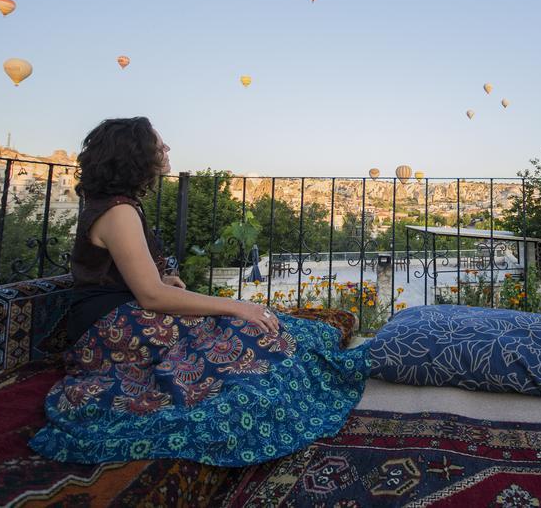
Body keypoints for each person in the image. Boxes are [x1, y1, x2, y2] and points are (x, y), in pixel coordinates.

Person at [29, 117, 370, 466]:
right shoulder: (118, 213)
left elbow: (134, 278)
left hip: (125, 311)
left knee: (258, 329)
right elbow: (151, 296)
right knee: (243, 333)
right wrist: (234, 306)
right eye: (158, 146)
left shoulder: (118, 206)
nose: (166, 149)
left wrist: (165, 281)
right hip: (111, 326)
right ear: (135, 156)